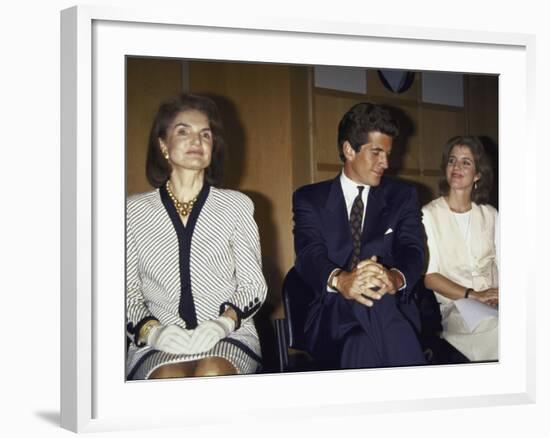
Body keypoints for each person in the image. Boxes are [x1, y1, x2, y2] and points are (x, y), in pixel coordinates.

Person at [126, 94, 267, 380]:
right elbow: (124, 291)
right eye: (183, 131)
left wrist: (223, 324)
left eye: (205, 134)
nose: (197, 140)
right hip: (159, 341)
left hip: (230, 334)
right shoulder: (132, 211)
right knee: (169, 378)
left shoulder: (236, 205)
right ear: (163, 145)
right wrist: (152, 332)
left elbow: (254, 285)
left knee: (212, 373)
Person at [291, 102, 426, 369]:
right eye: (376, 153)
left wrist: (394, 277)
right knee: (372, 293)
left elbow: (413, 250)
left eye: (388, 153)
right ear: (349, 149)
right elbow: (308, 255)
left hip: (390, 307)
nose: (385, 163)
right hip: (331, 312)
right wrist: (341, 281)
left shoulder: (402, 197)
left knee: (361, 343)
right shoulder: (310, 198)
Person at [422, 135, 498, 362]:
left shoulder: (490, 214)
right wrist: (475, 295)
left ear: (478, 174)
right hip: (458, 308)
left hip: (497, 300)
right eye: (452, 160)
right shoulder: (428, 214)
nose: (457, 167)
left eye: (466, 162)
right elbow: (430, 277)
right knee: (503, 331)